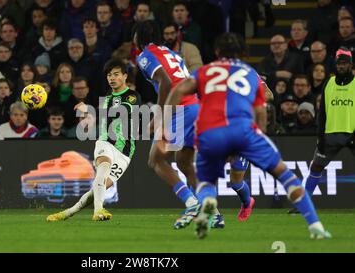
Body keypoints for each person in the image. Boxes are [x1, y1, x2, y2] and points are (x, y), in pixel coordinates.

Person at [165, 32, 331, 240]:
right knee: (285, 175)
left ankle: (208, 206)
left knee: (205, 181)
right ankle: (314, 225)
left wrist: (165, 117)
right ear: (242, 52)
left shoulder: (204, 71)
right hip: (243, 131)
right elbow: (262, 110)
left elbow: (179, 89)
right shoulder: (250, 73)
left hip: (210, 132)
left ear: (216, 52)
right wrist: (256, 135)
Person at [134, 21, 254, 230]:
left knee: (155, 160)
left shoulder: (145, 55)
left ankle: (191, 203)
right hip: (194, 107)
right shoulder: (170, 53)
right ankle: (213, 213)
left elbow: (166, 82)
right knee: (184, 163)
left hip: (179, 109)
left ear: (137, 36)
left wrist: (160, 116)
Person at [46, 58, 141, 222]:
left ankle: (67, 213)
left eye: (116, 74)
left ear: (125, 76)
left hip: (126, 151)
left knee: (99, 188)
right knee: (103, 166)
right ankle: (98, 211)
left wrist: (89, 110)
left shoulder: (132, 96)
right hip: (105, 142)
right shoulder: (106, 98)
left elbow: (120, 111)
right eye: (109, 75)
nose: (112, 78)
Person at [303, 47, 355, 203]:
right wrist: (320, 136)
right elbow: (322, 113)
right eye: (339, 63)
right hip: (330, 135)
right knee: (315, 168)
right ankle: (304, 204)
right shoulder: (329, 83)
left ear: (351, 65)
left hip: (352, 134)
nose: (341, 66)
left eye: (344, 63)